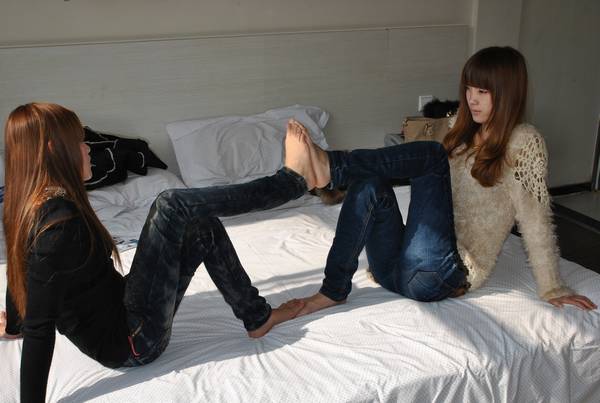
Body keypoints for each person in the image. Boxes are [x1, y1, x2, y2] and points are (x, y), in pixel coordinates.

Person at [0, 103, 322, 402]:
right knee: (173, 204)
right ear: (53, 150)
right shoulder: (57, 229)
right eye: (79, 142)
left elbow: (20, 271)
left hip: (124, 309)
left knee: (202, 224)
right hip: (133, 343)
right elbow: (40, 326)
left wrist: (13, 326)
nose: (87, 149)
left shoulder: (30, 206)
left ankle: (257, 318)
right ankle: (290, 182)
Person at [288, 46, 597, 316]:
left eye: (482, 92)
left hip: (439, 276)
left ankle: (331, 168)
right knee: (370, 184)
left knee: (431, 154)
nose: (472, 99)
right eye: (469, 89)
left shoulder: (525, 141)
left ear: (507, 93)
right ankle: (332, 290)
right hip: (392, 269)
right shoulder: (459, 127)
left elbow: (535, 220)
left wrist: (552, 287)